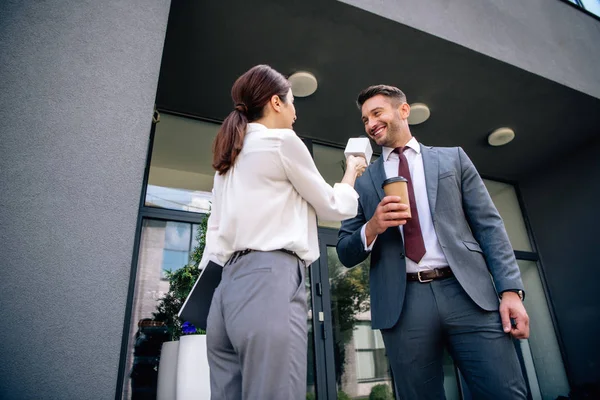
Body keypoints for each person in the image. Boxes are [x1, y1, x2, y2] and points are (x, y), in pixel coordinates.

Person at [336, 85, 530, 399]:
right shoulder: (363, 179)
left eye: (376, 113)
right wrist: (372, 226)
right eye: (364, 120)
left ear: (403, 110)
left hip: (468, 295)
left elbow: (489, 226)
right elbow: (345, 250)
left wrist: (510, 291)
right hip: (403, 303)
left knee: (504, 392)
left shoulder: (453, 159)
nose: (370, 124)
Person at [199, 65, 367, 400]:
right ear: (276, 102)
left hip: (222, 294)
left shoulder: (227, 161)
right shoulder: (282, 142)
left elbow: (214, 236)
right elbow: (333, 205)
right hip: (268, 281)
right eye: (291, 103)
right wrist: (352, 171)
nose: (295, 112)